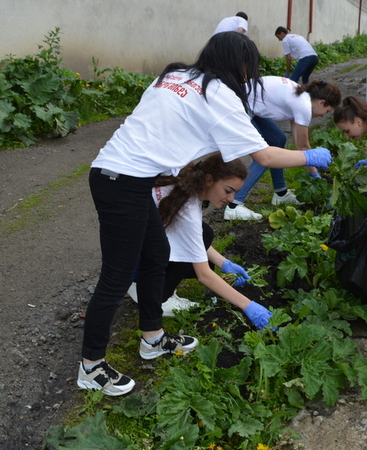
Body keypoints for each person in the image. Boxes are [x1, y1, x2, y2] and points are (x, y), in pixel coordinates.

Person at [77, 31, 332, 397]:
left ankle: (153, 337)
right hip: (123, 181)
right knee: (116, 277)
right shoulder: (219, 95)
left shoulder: (175, 75)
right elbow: (265, 155)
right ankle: (91, 365)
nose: (248, 79)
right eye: (249, 71)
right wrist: (311, 155)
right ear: (240, 66)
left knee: (156, 255)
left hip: (120, 176)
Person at [137, 153, 274, 328]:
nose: (231, 199)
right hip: (134, 256)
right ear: (210, 180)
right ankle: (160, 297)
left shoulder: (187, 181)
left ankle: (139, 283)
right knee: (203, 246)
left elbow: (191, 237)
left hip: (134, 244)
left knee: (204, 235)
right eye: (228, 191)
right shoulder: (188, 210)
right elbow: (204, 276)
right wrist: (248, 306)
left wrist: (224, 263)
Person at [225, 76, 341, 221]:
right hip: (237, 107)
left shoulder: (301, 96)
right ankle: (234, 205)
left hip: (248, 104)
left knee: (278, 140)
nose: (324, 115)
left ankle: (280, 194)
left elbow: (299, 142)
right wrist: (315, 175)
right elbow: (304, 147)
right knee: (265, 154)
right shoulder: (303, 105)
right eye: (327, 110)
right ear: (321, 102)